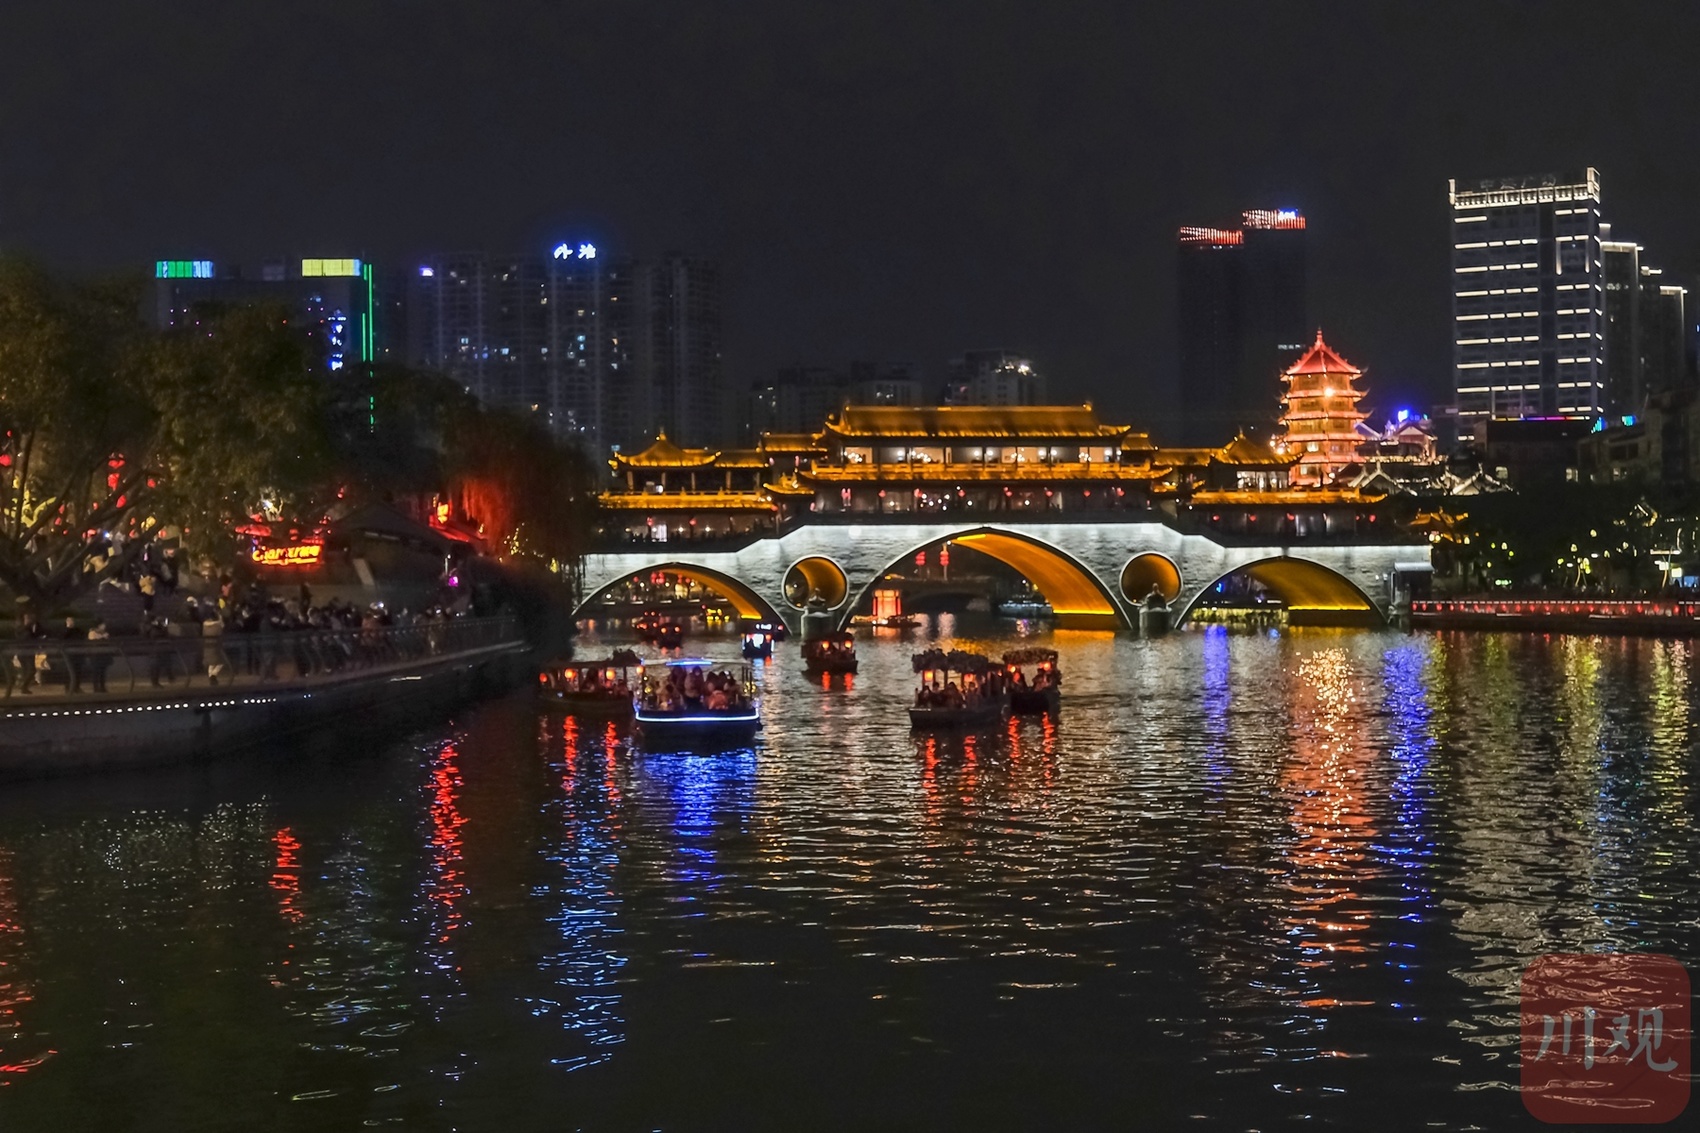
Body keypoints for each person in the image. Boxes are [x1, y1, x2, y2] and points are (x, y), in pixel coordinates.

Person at [86, 620, 112, 693]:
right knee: (96, 672)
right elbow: (93, 640)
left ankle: (102, 687)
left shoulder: (105, 633)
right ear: (99, 625)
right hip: (95, 655)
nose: (104, 626)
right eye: (103, 625)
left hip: (103, 655)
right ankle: (96, 688)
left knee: (102, 672)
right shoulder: (92, 633)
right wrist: (102, 637)